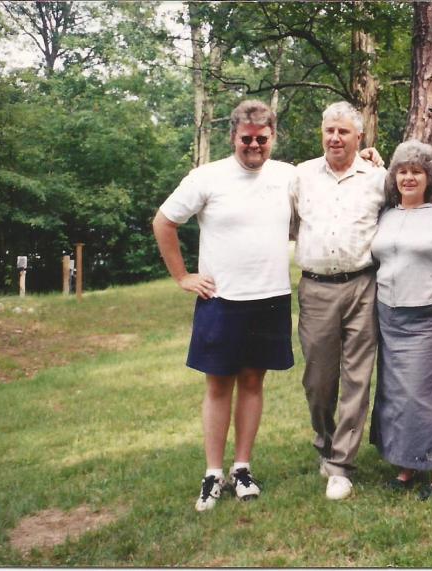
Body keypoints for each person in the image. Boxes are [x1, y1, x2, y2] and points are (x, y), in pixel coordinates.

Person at [152, 100, 295, 512]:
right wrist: (182, 276)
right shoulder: (207, 177)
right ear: (233, 136)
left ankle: (242, 468)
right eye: (247, 139)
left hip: (270, 297)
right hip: (221, 299)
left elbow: (329, 175)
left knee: (253, 382)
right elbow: (164, 221)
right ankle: (213, 473)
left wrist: (370, 155)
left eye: (262, 139)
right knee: (218, 386)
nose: (255, 146)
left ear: (273, 137)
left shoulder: (287, 176)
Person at [292, 101, 387, 501]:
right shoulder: (299, 176)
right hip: (315, 288)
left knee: (357, 377)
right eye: (329, 130)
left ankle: (341, 465)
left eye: (343, 132)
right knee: (318, 379)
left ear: (359, 138)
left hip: (364, 285)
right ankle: (325, 441)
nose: (334, 138)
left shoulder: (379, 178)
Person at [369, 140, 432, 500]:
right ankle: (406, 465)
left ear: (429, 176)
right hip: (388, 313)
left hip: (428, 313)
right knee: (395, 393)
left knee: (422, 395)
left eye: (416, 171)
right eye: (402, 171)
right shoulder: (387, 215)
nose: (408, 177)